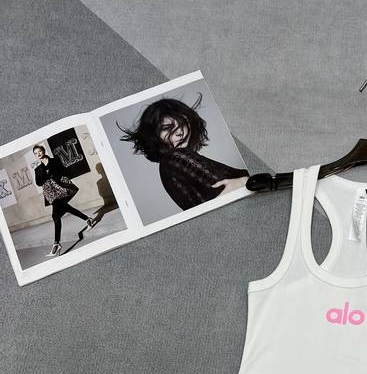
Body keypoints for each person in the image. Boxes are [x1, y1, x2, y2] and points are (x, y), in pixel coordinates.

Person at [117, 93, 249, 211]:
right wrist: (244, 181)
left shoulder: (172, 162)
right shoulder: (175, 157)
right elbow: (227, 192)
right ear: (154, 135)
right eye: (168, 128)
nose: (180, 132)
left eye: (183, 124)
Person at [32, 145, 97, 257]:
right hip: (51, 193)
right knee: (66, 208)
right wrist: (44, 173)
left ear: (44, 151)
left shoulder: (55, 160)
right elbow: (39, 183)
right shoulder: (37, 169)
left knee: (55, 216)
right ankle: (88, 219)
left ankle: (56, 244)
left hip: (61, 188)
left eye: (39, 151)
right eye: (36, 153)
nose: (38, 154)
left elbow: (62, 171)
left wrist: (51, 173)